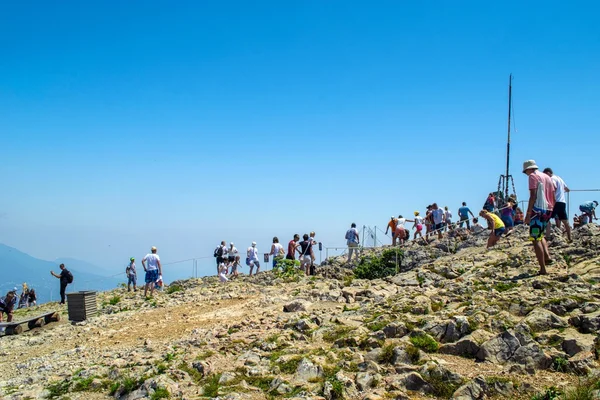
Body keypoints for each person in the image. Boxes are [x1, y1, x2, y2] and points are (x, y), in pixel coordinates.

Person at [523, 160, 556, 275]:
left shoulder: (533, 176)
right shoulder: (547, 177)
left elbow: (533, 196)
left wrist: (528, 214)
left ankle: (542, 269)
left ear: (528, 169)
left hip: (537, 210)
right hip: (548, 209)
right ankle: (547, 256)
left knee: (535, 238)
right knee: (540, 234)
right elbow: (553, 194)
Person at [542, 168, 572, 241]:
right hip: (562, 202)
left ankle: (547, 237)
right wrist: (561, 191)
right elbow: (567, 189)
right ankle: (569, 238)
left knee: (546, 219)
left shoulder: (552, 179)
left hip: (555, 202)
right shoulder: (559, 178)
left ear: (548, 173)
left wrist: (552, 199)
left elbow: (553, 188)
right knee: (565, 221)